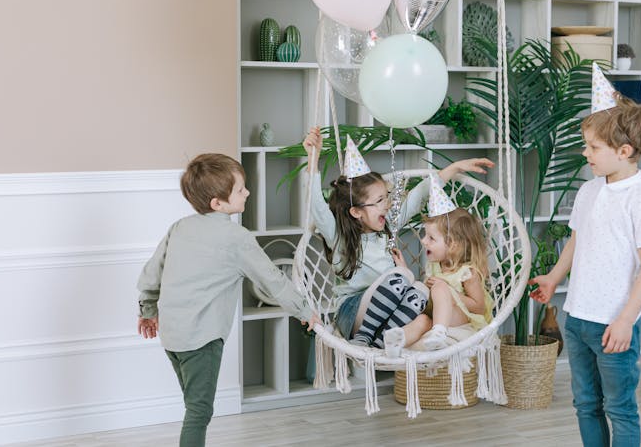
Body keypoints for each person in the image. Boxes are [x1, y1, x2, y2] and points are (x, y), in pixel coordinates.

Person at [137, 153, 314, 447]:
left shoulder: (180, 227)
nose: (248, 192)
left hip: (171, 336)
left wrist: (147, 309)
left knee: (193, 403)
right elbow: (272, 279)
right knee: (199, 411)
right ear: (217, 203)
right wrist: (305, 309)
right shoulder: (237, 237)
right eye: (240, 189)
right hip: (201, 340)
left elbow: (152, 273)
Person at [528, 64, 641, 447]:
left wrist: (624, 321)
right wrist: (554, 278)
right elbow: (577, 241)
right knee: (585, 403)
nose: (584, 153)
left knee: (619, 408)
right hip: (578, 317)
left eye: (593, 147)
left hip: (613, 326)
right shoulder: (590, 191)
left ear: (624, 151)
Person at [302, 127, 494, 353]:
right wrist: (312, 159)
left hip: (385, 319)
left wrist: (454, 168)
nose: (388, 205)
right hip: (353, 314)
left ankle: (381, 342)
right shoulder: (339, 236)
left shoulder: (387, 227)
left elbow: (418, 196)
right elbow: (316, 205)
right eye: (380, 200)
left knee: (421, 290)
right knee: (403, 275)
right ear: (356, 212)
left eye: (387, 197)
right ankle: (363, 338)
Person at [383, 174, 494, 355]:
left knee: (440, 288)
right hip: (435, 316)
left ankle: (439, 333)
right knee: (422, 321)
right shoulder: (435, 265)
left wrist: (450, 293)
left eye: (431, 238)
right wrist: (403, 270)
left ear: (452, 245)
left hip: (462, 318)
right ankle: (398, 343)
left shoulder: (468, 273)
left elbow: (479, 307)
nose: (424, 241)